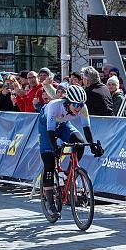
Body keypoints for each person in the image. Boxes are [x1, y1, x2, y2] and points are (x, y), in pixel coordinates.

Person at [38, 85, 104, 219]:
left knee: (80, 143)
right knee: (49, 162)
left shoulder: (82, 108)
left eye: (81, 105)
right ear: (68, 102)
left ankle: (69, 173)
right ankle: (50, 202)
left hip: (63, 125)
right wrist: (54, 148)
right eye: (76, 105)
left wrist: (92, 146)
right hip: (46, 127)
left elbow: (86, 129)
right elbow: (50, 131)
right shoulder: (54, 106)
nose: (79, 108)